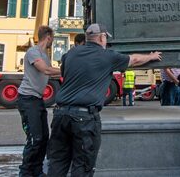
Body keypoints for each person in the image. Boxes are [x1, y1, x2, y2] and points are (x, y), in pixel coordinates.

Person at [47, 23, 162, 176]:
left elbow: (65, 73)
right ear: (101, 37)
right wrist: (152, 56)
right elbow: (134, 60)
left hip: (60, 116)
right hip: (84, 119)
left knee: (57, 163)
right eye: (106, 38)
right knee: (82, 165)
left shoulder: (70, 55)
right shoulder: (107, 56)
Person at [17, 25, 61, 177]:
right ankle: (25, 172)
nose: (52, 42)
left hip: (37, 100)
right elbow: (46, 70)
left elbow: (52, 74)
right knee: (35, 138)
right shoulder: (33, 52)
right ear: (48, 37)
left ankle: (36, 170)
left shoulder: (45, 55)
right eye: (52, 39)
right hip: (27, 99)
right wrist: (70, 68)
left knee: (43, 138)